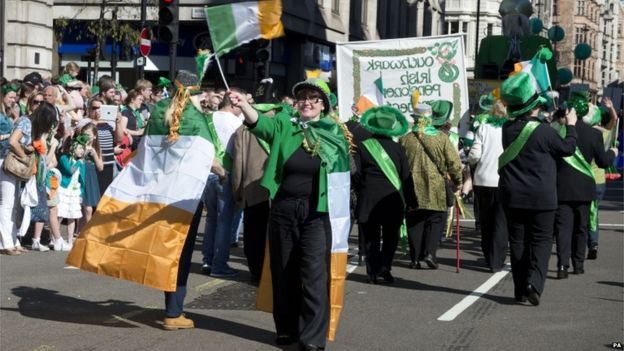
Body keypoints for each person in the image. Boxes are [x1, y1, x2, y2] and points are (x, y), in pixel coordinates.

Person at [228, 78, 352, 351]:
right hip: (284, 209)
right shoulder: (286, 124)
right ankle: (286, 329)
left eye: (314, 98)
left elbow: (347, 172)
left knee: (313, 275)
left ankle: (312, 338)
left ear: (324, 105)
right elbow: (260, 124)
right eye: (303, 97)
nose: (307, 101)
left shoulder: (336, 133)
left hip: (318, 213)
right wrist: (244, 104)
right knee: (283, 272)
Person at [498, 72, 577, 306]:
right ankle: (535, 284)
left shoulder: (507, 129)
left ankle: (520, 290)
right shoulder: (544, 131)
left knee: (519, 242)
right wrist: (570, 126)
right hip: (542, 196)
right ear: (533, 106)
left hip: (513, 195)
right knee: (541, 241)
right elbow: (568, 148)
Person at [553, 92, 618, 278]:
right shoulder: (594, 134)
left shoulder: (558, 131)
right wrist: (613, 152)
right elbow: (604, 162)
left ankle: (562, 266)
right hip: (584, 187)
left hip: (562, 187)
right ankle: (578, 264)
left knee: (563, 228)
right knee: (581, 227)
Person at [353, 106, 417, 283]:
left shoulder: (362, 147)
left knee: (370, 237)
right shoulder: (398, 148)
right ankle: (385, 268)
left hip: (368, 198)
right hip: (392, 199)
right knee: (391, 236)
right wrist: (411, 200)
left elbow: (356, 174)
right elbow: (406, 176)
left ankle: (373, 271)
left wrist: (362, 188)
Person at [400, 102, 462, 269]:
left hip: (411, 187)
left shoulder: (405, 139)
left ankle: (414, 258)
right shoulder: (441, 138)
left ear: (415, 119)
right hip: (436, 186)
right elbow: (454, 163)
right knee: (436, 220)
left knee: (414, 221)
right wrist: (458, 181)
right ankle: (429, 253)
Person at [200, 90, 243, 278]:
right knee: (224, 222)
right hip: (225, 174)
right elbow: (239, 154)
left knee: (211, 219)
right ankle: (219, 266)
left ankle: (207, 261)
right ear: (233, 104)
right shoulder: (238, 123)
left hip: (206, 172)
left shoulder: (207, 118)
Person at [468, 98, 509, 272]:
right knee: (501, 221)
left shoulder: (483, 128)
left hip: (483, 179)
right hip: (503, 179)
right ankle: (497, 259)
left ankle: (487, 255)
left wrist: (471, 163)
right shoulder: (510, 130)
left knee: (486, 220)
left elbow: (474, 155)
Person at [586, 96, 619, 259]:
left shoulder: (583, 135)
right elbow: (615, 119)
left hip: (584, 178)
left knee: (582, 213)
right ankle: (593, 242)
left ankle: (587, 241)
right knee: (593, 212)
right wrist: (611, 107)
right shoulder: (605, 133)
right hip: (599, 179)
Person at [57, 135, 88, 246]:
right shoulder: (64, 158)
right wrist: (79, 162)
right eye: (80, 148)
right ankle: (55, 237)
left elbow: (82, 178)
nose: (82, 151)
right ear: (73, 147)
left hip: (75, 191)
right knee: (60, 214)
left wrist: (81, 192)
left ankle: (70, 240)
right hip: (65, 189)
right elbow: (70, 171)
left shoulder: (81, 162)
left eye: (83, 149)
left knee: (72, 216)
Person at [76, 123, 104, 235]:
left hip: (91, 178)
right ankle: (80, 231)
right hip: (80, 176)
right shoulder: (78, 146)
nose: (86, 137)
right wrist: (82, 153)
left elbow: (101, 167)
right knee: (81, 207)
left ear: (95, 136)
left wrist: (94, 154)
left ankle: (87, 233)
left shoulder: (97, 148)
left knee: (88, 208)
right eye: (84, 134)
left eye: (88, 135)